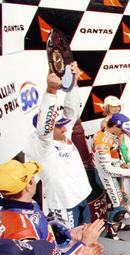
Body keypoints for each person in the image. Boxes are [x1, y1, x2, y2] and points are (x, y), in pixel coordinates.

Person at [25, 66, 91, 229]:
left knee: (88, 239)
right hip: (64, 204)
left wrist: (73, 84)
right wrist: (51, 91)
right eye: (58, 126)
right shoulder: (42, 146)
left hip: (81, 197)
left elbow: (72, 112)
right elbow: (45, 128)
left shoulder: (62, 134)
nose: (64, 128)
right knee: (69, 246)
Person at [91, 113, 130, 239]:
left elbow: (110, 160)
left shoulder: (108, 134)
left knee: (118, 203)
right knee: (117, 207)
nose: (122, 133)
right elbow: (107, 168)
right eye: (121, 130)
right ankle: (110, 232)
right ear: (114, 126)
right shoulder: (101, 140)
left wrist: (121, 163)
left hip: (109, 173)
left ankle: (116, 225)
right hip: (104, 176)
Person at [101, 95, 130, 216]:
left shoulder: (122, 120)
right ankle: (119, 209)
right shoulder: (104, 122)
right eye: (113, 107)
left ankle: (124, 206)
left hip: (120, 156)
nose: (116, 109)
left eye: (118, 106)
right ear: (107, 107)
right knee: (114, 185)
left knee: (121, 184)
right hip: (110, 157)